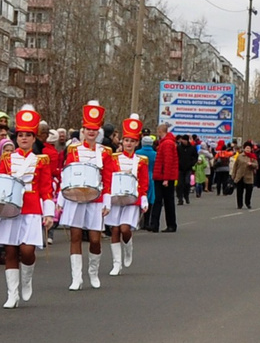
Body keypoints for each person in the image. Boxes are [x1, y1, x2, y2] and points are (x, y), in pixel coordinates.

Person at [0, 105, 57, 307]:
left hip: (31, 210)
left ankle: (26, 280)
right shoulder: (7, 159)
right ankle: (12, 294)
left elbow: (46, 188)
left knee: (27, 251)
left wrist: (48, 213)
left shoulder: (41, 161)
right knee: (10, 251)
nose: (24, 138)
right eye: (20, 135)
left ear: (34, 137)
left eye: (28, 135)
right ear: (16, 137)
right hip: (10, 210)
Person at [57, 102, 116, 291]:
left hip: (96, 199)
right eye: (88, 129)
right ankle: (76, 277)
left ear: (98, 131)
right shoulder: (73, 150)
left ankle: (93, 272)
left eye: (94, 129)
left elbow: (108, 178)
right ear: (83, 130)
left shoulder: (105, 153)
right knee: (75, 236)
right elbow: (67, 174)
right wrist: (60, 200)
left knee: (95, 239)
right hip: (75, 197)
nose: (91, 132)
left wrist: (107, 200)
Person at [103, 116, 150, 275]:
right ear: (122, 142)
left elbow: (144, 181)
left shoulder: (141, 161)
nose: (128, 144)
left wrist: (143, 197)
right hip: (116, 198)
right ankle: (117, 263)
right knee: (114, 229)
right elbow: (108, 177)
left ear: (137, 143)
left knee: (124, 229)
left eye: (132, 141)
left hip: (132, 199)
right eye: (126, 140)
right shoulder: (114, 158)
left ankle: (128, 247)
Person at [151, 124, 181, 232]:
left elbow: (168, 162)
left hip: (163, 176)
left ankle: (160, 224)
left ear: (160, 131)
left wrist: (166, 178)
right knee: (165, 200)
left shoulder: (167, 143)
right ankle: (166, 224)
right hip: (163, 175)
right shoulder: (167, 142)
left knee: (162, 200)